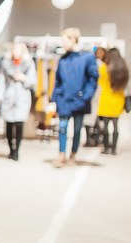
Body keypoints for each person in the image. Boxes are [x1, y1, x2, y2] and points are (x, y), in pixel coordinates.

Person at [50, 28, 99, 167]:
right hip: (64, 100)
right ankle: (61, 155)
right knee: (62, 128)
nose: (63, 44)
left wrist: (85, 96)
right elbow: (58, 81)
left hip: (79, 101)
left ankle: (73, 155)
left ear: (73, 39)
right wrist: (54, 99)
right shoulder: (63, 59)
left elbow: (93, 79)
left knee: (77, 130)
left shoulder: (87, 57)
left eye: (64, 41)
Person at [0, 42, 37, 161]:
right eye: (14, 49)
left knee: (19, 124)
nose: (15, 51)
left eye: (18, 49)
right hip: (8, 97)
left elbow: (33, 81)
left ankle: (17, 151)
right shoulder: (6, 63)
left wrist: (24, 78)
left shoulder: (28, 63)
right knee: (8, 124)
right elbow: (1, 82)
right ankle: (11, 150)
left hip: (22, 97)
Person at [96, 48, 129, 154]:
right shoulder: (123, 69)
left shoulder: (104, 67)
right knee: (115, 125)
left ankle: (106, 148)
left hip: (106, 98)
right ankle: (114, 149)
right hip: (118, 99)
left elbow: (100, 82)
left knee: (105, 125)